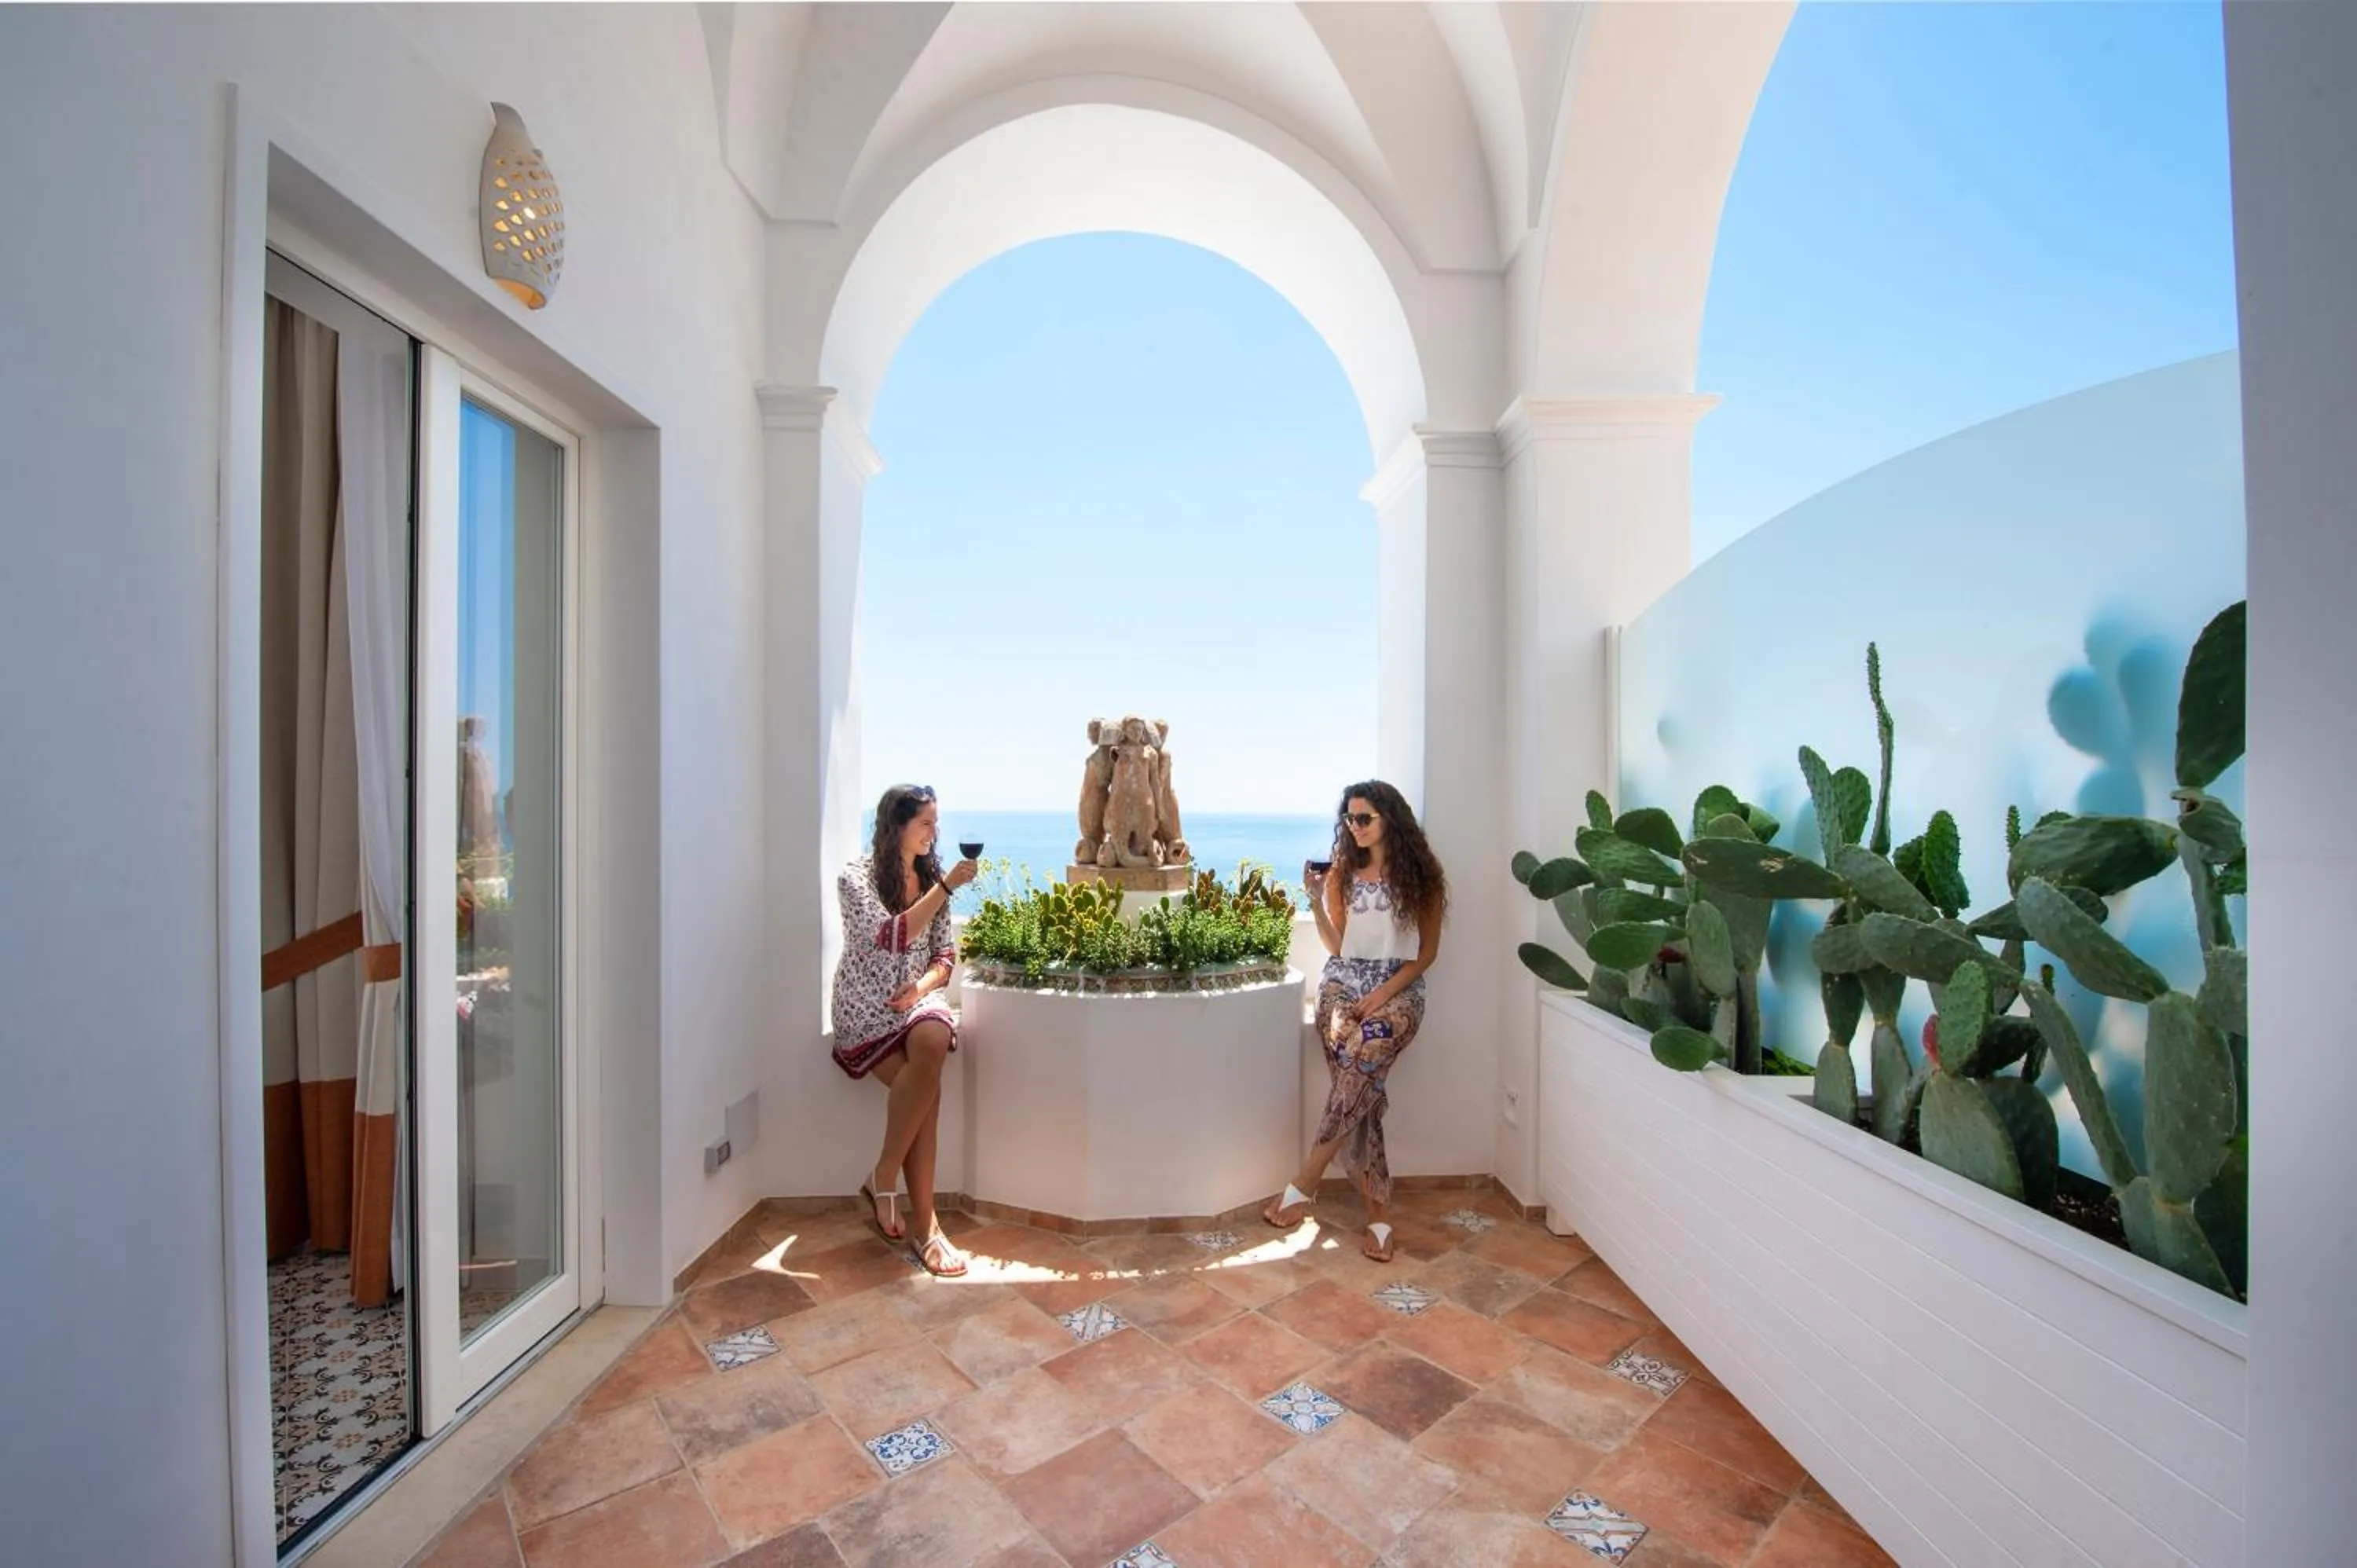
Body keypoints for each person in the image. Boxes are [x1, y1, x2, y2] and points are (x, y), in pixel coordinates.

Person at [1263, 781, 1447, 1261]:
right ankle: (1377, 1216)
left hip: (1399, 987)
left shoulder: (1422, 876)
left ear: (1391, 819)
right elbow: (1339, 946)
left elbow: (1426, 954)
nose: (1355, 827)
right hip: (1342, 984)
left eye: (1364, 818)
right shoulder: (1344, 870)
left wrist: (1383, 995)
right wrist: (1315, 897)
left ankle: (1307, 1180)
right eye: (1349, 819)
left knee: (1364, 1056)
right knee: (1359, 1067)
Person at [831, 784, 977, 1277]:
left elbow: (944, 957)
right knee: (926, 1094)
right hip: (865, 1008)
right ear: (897, 826)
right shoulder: (856, 879)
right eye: (926, 825)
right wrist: (947, 888)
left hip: (914, 1001)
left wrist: (922, 987)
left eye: (936, 824)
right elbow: (892, 936)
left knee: (934, 1040)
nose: (934, 834)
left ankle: (883, 1177)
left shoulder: (931, 874)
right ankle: (927, 1228)